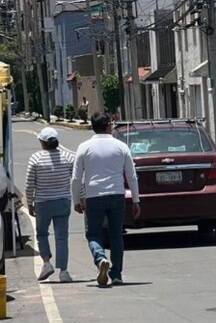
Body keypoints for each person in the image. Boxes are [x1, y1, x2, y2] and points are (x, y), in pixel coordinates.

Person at [71, 113, 141, 287]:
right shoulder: (121, 146)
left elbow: (76, 178)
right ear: (109, 126)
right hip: (117, 194)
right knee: (116, 234)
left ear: (92, 127)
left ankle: (100, 257)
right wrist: (136, 200)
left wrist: (77, 200)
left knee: (94, 233)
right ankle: (116, 274)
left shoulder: (84, 147)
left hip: (94, 195)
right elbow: (131, 176)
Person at [26, 127, 76, 283]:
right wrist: (80, 199)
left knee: (42, 234)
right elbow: (75, 180)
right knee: (62, 237)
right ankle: (64, 271)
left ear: (42, 142)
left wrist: (29, 203)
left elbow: (29, 185)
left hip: (43, 202)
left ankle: (47, 263)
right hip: (63, 201)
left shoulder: (35, 158)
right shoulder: (68, 157)